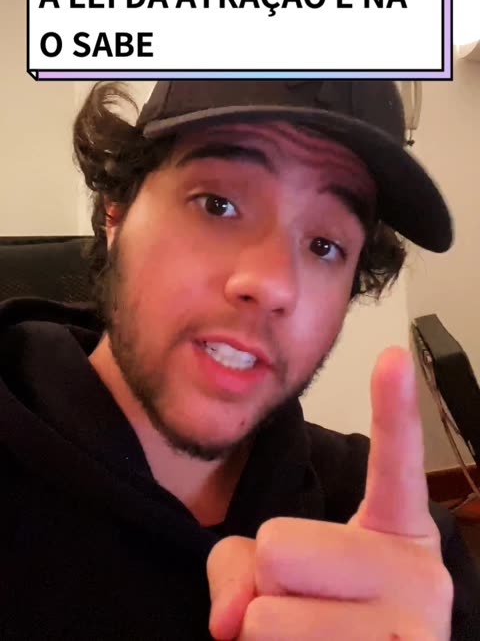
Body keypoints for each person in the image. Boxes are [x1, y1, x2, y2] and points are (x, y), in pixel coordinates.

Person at [0, 79, 478, 640]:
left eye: (324, 245)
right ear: (116, 214)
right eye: (218, 205)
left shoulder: (398, 548)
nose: (272, 284)